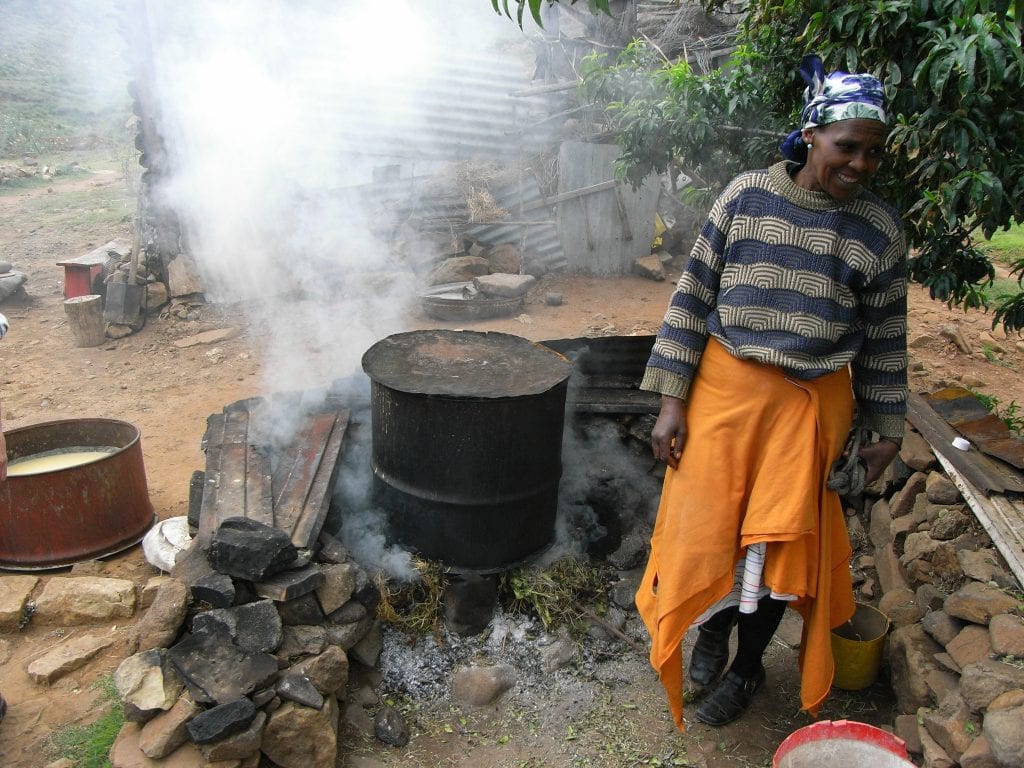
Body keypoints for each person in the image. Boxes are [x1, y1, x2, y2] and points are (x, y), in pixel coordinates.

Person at [634, 54, 908, 729]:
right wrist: (672, 400)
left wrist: (887, 432)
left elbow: (885, 342)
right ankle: (709, 632)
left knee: (780, 548)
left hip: (810, 410)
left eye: (874, 152)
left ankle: (749, 665)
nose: (861, 164)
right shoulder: (747, 196)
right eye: (849, 147)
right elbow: (693, 294)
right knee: (709, 534)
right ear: (811, 135)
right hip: (724, 394)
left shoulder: (879, 230)